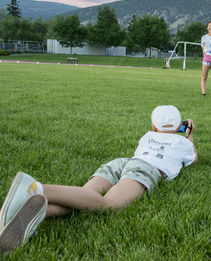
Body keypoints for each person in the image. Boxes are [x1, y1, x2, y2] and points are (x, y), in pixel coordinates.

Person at [0, 105, 197, 253]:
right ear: (180, 125)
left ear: (153, 125)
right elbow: (193, 158)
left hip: (122, 162)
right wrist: (189, 136)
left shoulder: (147, 136)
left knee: (83, 201)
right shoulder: (182, 142)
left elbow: (161, 133)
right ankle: (34, 188)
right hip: (145, 168)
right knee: (110, 205)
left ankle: (17, 215)